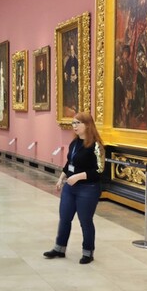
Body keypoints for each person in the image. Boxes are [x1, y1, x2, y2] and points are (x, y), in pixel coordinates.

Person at [44, 112, 105, 264]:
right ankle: (59, 248)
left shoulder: (96, 146)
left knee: (85, 220)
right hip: (70, 188)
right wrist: (61, 178)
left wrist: (79, 176)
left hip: (88, 188)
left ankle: (88, 252)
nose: (74, 126)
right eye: (73, 123)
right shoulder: (74, 143)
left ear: (88, 125)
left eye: (78, 123)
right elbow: (69, 164)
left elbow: (99, 170)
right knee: (64, 218)